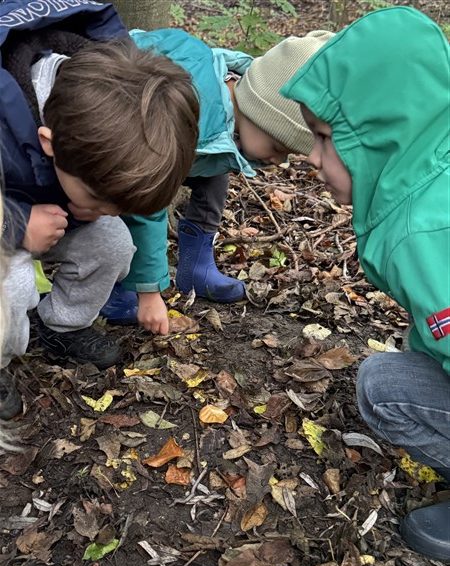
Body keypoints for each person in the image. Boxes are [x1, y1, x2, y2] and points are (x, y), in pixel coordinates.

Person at [281, 7, 450, 562]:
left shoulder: (417, 231)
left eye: (326, 137)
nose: (311, 157)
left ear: (376, 137)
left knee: (382, 387)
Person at [0, 1, 199, 418]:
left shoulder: (106, 117)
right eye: (99, 199)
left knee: (112, 243)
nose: (108, 210)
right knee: (14, 284)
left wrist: (91, 206)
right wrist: (14, 224)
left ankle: (59, 326)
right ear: (49, 142)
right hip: (10, 223)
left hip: (49, 213)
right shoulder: (5, 120)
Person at [100, 28, 334, 325]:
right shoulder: (190, 113)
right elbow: (145, 203)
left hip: (181, 141)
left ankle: (197, 266)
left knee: (215, 170)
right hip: (111, 141)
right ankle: (121, 284)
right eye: (279, 147)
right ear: (257, 112)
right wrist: (149, 292)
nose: (280, 161)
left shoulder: (234, 97)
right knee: (141, 193)